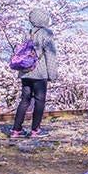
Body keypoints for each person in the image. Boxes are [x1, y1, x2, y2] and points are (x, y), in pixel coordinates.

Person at [10, 8, 58, 138]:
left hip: (25, 72)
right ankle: (35, 130)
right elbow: (50, 54)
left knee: (24, 100)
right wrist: (52, 74)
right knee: (39, 100)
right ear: (43, 18)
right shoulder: (46, 33)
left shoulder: (28, 33)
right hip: (39, 73)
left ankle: (16, 130)